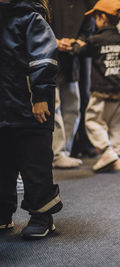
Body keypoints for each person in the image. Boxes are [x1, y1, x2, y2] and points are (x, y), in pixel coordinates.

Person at [0, 0, 63, 239]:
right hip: (4, 108)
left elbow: (44, 57)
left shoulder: (30, 17)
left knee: (34, 164)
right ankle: (3, 214)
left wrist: (41, 95)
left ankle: (42, 216)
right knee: (2, 165)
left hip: (31, 107)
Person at [74, 0, 120, 172]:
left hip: (101, 91)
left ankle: (107, 151)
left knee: (93, 121)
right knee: (118, 126)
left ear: (102, 18)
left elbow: (80, 52)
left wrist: (74, 44)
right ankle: (118, 157)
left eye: (96, 18)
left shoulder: (95, 41)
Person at [48, 0, 96, 168]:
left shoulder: (86, 3)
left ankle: (65, 151)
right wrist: (54, 41)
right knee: (54, 107)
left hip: (72, 58)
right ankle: (56, 153)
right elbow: (36, 23)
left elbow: (89, 26)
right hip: (48, 56)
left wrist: (77, 42)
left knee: (72, 107)